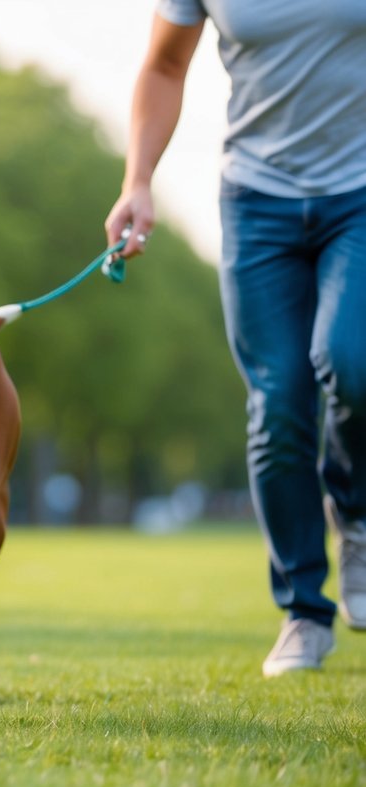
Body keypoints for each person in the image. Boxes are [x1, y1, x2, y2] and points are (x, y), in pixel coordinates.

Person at [104, 1, 366, 676]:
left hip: (360, 191)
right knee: (277, 402)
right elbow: (164, 64)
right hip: (255, 200)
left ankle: (357, 519)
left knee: (351, 361)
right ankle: (303, 612)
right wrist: (137, 180)